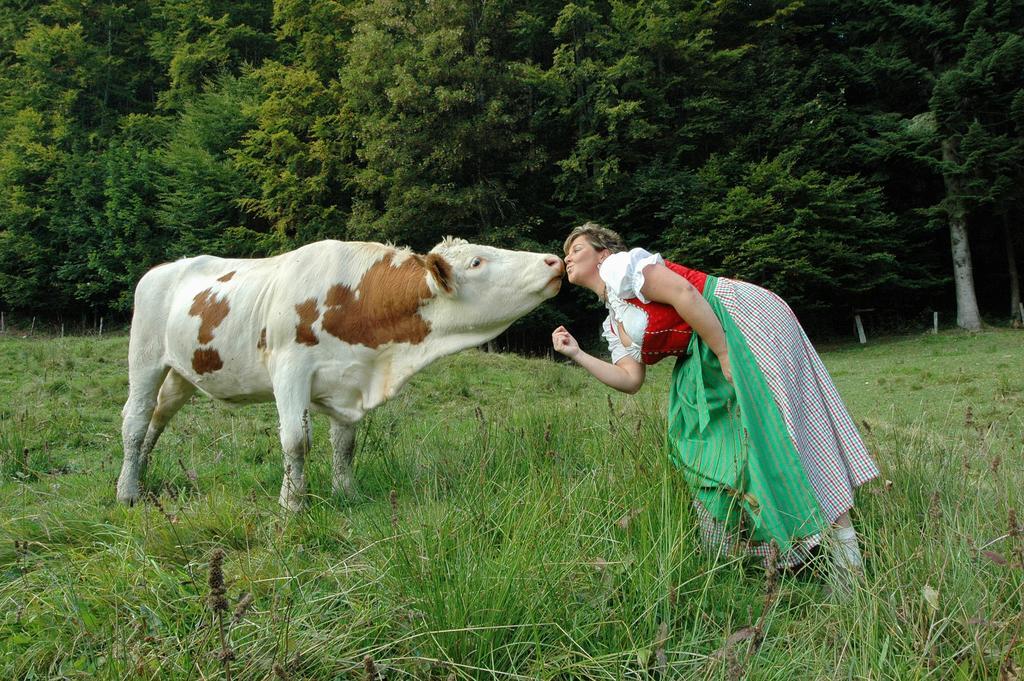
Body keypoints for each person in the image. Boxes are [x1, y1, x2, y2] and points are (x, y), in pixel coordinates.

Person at [552, 222, 879, 579]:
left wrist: (725, 353)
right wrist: (578, 354)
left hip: (736, 318)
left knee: (778, 427)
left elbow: (685, 294)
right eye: (566, 253)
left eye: (577, 250)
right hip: (702, 349)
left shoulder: (620, 267)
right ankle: (783, 550)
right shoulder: (614, 320)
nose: (567, 258)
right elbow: (631, 380)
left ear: (604, 253)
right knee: (717, 444)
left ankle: (848, 561)